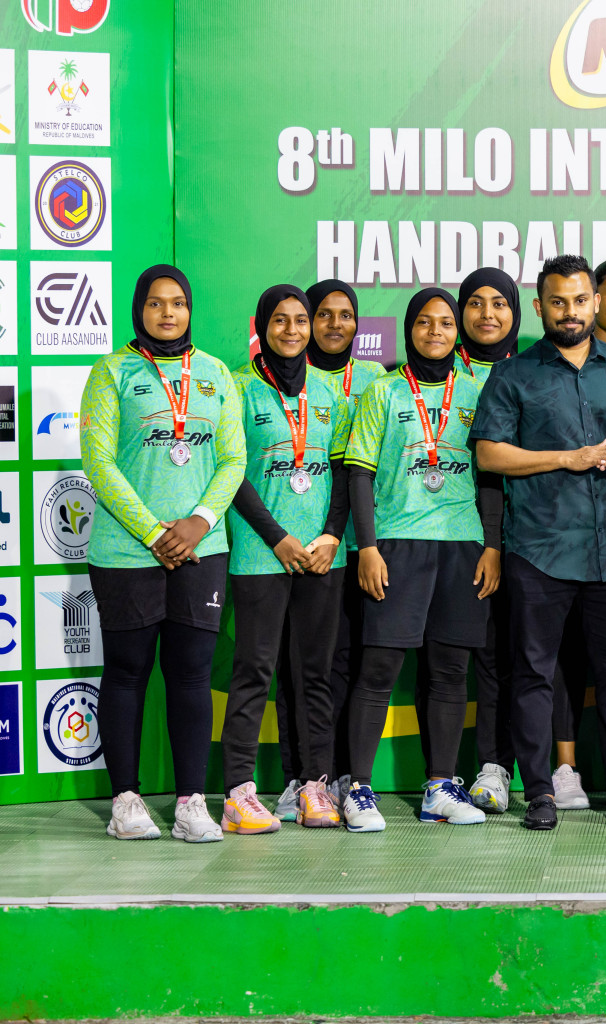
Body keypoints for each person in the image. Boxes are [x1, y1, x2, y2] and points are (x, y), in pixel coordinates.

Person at [471, 253, 606, 831]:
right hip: (540, 549)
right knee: (533, 673)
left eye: (581, 300)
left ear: (596, 301)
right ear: (540, 307)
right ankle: (540, 795)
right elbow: (489, 453)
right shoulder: (513, 375)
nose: (571, 312)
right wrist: (568, 458)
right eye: (559, 302)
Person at [83, 265, 245, 843]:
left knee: (192, 677)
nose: (168, 313)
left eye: (177, 303)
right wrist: (154, 533)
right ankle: (125, 802)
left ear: (189, 309)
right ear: (139, 310)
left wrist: (199, 522)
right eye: (156, 304)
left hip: (202, 550)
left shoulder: (215, 372)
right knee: (126, 673)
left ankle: (191, 803)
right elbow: (98, 463)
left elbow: (232, 459)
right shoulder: (112, 372)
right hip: (127, 552)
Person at [341, 287, 502, 831]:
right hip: (396, 543)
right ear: (409, 330)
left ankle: (440, 785)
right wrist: (367, 546)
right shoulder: (381, 391)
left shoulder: (479, 390)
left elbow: (492, 478)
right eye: (425, 323)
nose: (436, 331)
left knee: (451, 671)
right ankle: (358, 788)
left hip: (463, 543)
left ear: (458, 332)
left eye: (446, 323)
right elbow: (358, 472)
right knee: (380, 668)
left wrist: (493, 545)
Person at [221, 285, 352, 833]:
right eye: (281, 320)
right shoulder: (238, 388)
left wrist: (329, 536)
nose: (294, 329)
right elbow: (233, 473)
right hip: (261, 553)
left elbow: (347, 471)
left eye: (301, 320)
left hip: (322, 557)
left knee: (315, 674)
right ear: (262, 326)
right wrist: (277, 537)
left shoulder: (331, 391)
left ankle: (314, 786)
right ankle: (238, 794)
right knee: (254, 672)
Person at [271, 280, 386, 821]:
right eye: (323, 314)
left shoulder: (377, 380)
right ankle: (300, 778)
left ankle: (341, 773)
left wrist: (346, 535)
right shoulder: (278, 381)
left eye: (345, 315)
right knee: (297, 667)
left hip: (360, 543)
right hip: (298, 548)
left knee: (348, 661)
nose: (335, 325)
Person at [451, 267, 523, 815]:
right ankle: (459, 774)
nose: (488, 314)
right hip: (452, 538)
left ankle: (510, 767)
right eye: (474, 303)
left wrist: (497, 539)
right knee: (463, 659)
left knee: (516, 657)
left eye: (500, 303)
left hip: (524, 537)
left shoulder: (534, 371)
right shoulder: (430, 374)